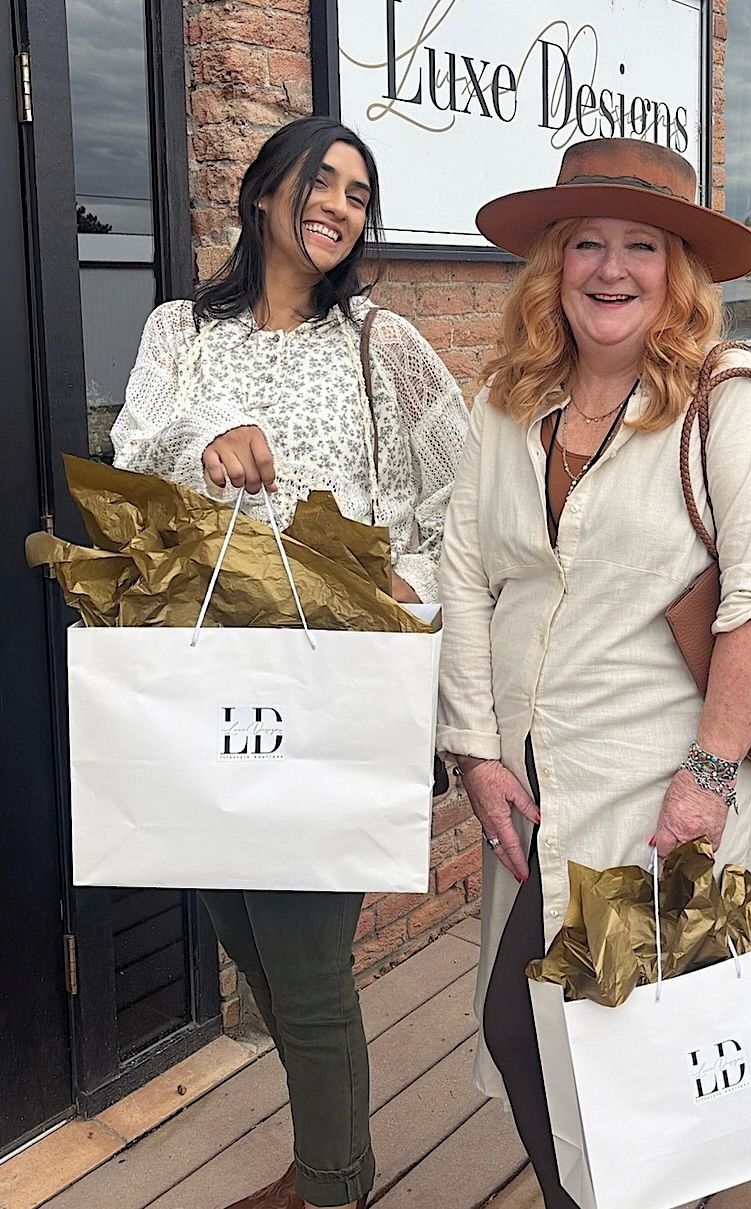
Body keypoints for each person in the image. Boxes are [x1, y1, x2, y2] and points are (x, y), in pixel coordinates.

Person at [435, 138, 751, 1208]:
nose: (610, 269)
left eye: (639, 245)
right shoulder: (507, 401)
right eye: (585, 243)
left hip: (656, 803)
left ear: (676, 271)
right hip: (529, 785)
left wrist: (706, 777)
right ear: (551, 266)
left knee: (638, 1065)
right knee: (529, 1035)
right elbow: (465, 573)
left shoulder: (724, 404)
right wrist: (470, 746)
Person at [112, 116, 468, 1209]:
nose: (340, 206)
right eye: (323, 182)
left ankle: (330, 1188)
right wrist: (210, 428)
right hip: (209, 684)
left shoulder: (381, 343)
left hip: (334, 691)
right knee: (248, 950)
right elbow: (133, 451)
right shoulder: (182, 332)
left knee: (308, 979)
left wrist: (416, 586)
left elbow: (464, 488)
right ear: (265, 190)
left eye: (359, 194)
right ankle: (335, 1160)